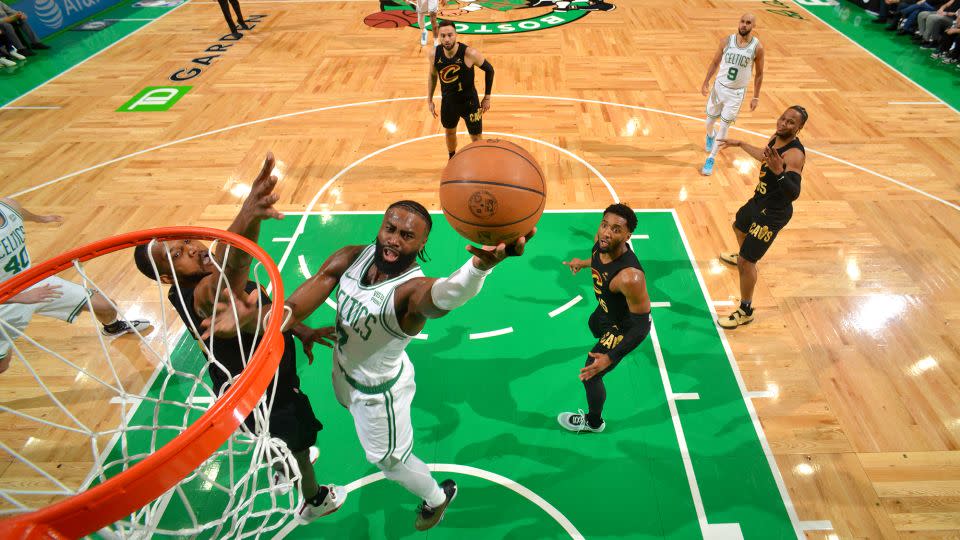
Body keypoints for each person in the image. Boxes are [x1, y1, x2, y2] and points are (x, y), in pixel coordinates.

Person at [279, 200, 533, 531]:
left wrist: (477, 268)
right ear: (381, 227)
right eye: (390, 229)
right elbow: (294, 306)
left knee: (391, 463)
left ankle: (437, 498)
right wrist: (282, 324)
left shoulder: (410, 291)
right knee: (354, 416)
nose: (395, 240)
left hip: (378, 395)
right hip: (343, 372)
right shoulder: (352, 256)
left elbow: (444, 295)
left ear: (421, 244)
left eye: (407, 235)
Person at [132, 153, 346, 522]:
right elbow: (228, 274)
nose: (192, 248)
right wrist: (247, 215)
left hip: (246, 382)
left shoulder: (208, 276)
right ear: (168, 277)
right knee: (298, 441)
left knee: (269, 434)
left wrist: (303, 330)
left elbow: (265, 308)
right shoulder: (199, 295)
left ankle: (279, 463)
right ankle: (314, 500)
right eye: (177, 254)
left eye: (186, 241)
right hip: (265, 388)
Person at [0, 198, 150, 374]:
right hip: (5, 301)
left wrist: (40, 219)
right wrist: (22, 297)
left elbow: (18, 212)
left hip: (33, 281)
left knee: (106, 306)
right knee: (3, 365)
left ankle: (113, 327)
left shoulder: (7, 204)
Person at [558, 204, 651, 433]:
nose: (607, 233)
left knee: (591, 373)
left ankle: (594, 422)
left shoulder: (630, 277)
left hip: (622, 326)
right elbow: (597, 260)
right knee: (592, 323)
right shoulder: (601, 243)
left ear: (628, 236)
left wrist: (610, 357)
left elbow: (642, 327)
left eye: (616, 229)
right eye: (604, 225)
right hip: (606, 312)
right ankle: (607, 351)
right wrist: (582, 262)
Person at [715, 106, 809, 329]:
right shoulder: (777, 137)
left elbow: (793, 193)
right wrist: (741, 144)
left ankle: (745, 310)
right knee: (739, 225)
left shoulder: (794, 154)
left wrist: (780, 173)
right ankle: (746, 258)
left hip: (774, 213)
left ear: (799, 128)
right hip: (760, 200)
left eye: (790, 122)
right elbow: (764, 157)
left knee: (746, 262)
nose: (783, 124)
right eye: (782, 118)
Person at [699, 13, 765, 176]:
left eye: (748, 23)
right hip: (719, 88)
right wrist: (706, 81)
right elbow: (715, 62)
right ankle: (710, 135)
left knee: (724, 125)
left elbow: (759, 74)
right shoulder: (726, 41)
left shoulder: (757, 48)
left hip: (736, 94)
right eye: (742, 21)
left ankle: (711, 158)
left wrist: (755, 96)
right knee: (709, 122)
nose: (744, 25)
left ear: (753, 26)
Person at [427, 20, 494, 159]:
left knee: (476, 137)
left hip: (470, 103)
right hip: (448, 103)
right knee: (449, 132)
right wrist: (429, 99)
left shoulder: (469, 53)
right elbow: (432, 75)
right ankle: (452, 159)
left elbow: (490, 70)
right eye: (443, 35)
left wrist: (487, 97)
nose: (446, 39)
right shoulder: (434, 54)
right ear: (438, 36)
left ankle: (480, 164)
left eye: (450, 35)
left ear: (456, 34)